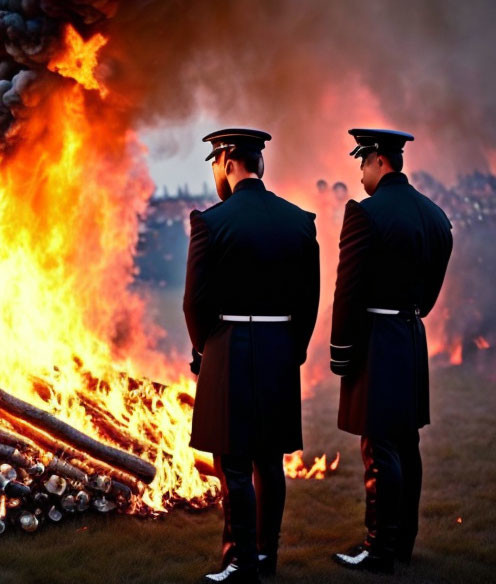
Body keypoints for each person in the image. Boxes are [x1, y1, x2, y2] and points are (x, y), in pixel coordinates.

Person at [184, 128, 320, 583]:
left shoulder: (210, 220)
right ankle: (267, 558)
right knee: (269, 461)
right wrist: (292, 348)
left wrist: (206, 349)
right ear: (259, 163)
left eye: (214, 166)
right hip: (280, 349)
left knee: (235, 464)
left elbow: (193, 303)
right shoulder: (300, 220)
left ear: (225, 161)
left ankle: (241, 562)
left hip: (231, 349)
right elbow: (310, 299)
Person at [330, 128, 452, 574]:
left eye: (362, 163)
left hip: (377, 340)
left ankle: (379, 548)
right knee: (407, 442)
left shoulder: (366, 214)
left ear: (379, 160)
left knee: (379, 447)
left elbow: (348, 291)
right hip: (410, 334)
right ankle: (403, 543)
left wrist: (341, 349)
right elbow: (433, 291)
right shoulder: (435, 215)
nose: (361, 174)